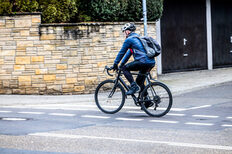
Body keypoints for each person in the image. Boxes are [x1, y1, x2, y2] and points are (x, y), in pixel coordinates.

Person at [111, 23, 155, 106]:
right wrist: (121, 64)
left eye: (124, 31)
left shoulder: (129, 40)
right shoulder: (138, 38)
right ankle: (147, 100)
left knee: (125, 68)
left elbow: (122, 52)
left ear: (128, 31)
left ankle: (133, 86)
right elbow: (128, 53)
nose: (124, 33)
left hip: (143, 61)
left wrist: (115, 64)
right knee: (139, 81)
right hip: (150, 62)